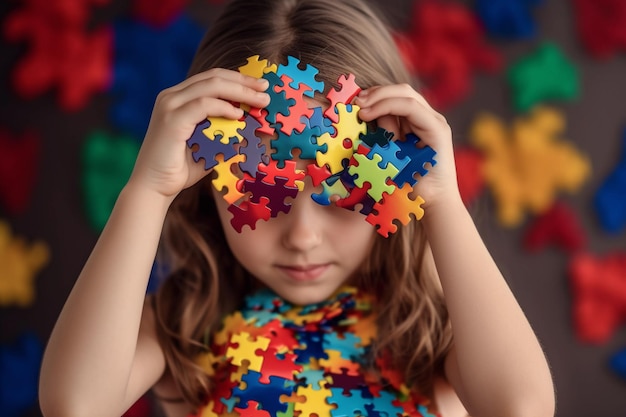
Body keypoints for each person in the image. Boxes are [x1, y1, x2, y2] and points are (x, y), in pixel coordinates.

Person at [39, 0, 555, 416]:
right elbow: (76, 406)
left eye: (339, 194)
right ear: (209, 182)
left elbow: (520, 407)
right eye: (262, 189)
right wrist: (147, 193)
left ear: (391, 181)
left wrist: (440, 199)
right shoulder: (181, 319)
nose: (302, 236)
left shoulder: (436, 320)